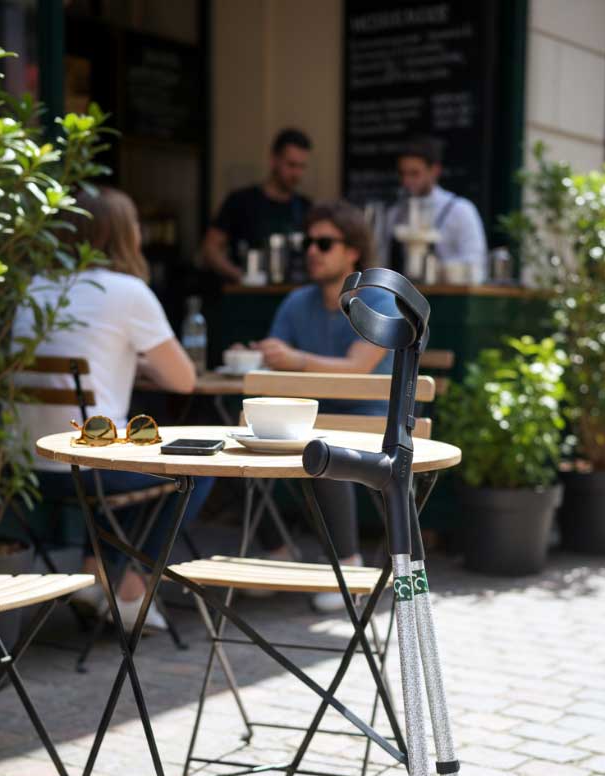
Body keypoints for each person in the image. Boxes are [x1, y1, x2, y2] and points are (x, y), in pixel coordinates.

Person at [14, 186, 211, 632]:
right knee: (196, 469)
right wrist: (136, 355)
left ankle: (94, 576)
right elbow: (184, 380)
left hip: (26, 467)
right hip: (88, 467)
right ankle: (131, 588)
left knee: (121, 441)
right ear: (123, 235)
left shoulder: (33, 288)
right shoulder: (127, 291)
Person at [252, 199, 398, 612]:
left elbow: (358, 367)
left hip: (370, 421)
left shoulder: (379, 301)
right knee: (232, 438)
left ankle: (348, 570)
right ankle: (278, 552)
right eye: (308, 243)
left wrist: (294, 359)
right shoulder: (297, 302)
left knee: (324, 445)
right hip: (308, 416)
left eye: (324, 243)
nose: (312, 251)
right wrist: (264, 354)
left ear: (352, 251)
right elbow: (274, 359)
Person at [200, 128, 312, 282]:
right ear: (273, 160)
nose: (296, 173)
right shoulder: (240, 201)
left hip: (292, 294)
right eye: (291, 165)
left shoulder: (306, 207)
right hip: (248, 296)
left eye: (302, 167)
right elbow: (210, 248)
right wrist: (240, 276)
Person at [384, 135, 487, 275]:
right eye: (402, 174)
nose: (406, 181)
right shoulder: (394, 213)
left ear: (434, 170)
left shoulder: (460, 210)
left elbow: (476, 263)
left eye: (414, 174)